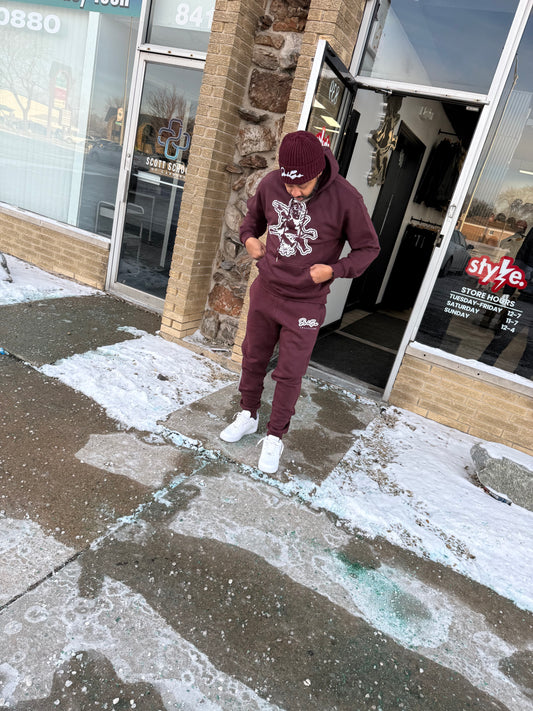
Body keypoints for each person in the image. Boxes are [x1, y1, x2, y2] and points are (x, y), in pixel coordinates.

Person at [220, 131, 380, 473]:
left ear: (318, 171)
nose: (293, 192)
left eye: (301, 185)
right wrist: (249, 239)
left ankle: (275, 435)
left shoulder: (346, 198)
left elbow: (369, 248)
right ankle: (248, 414)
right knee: (252, 357)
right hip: (266, 290)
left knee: (289, 372)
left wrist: (335, 270)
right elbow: (251, 221)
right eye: (288, 184)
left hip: (306, 303)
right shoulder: (271, 183)